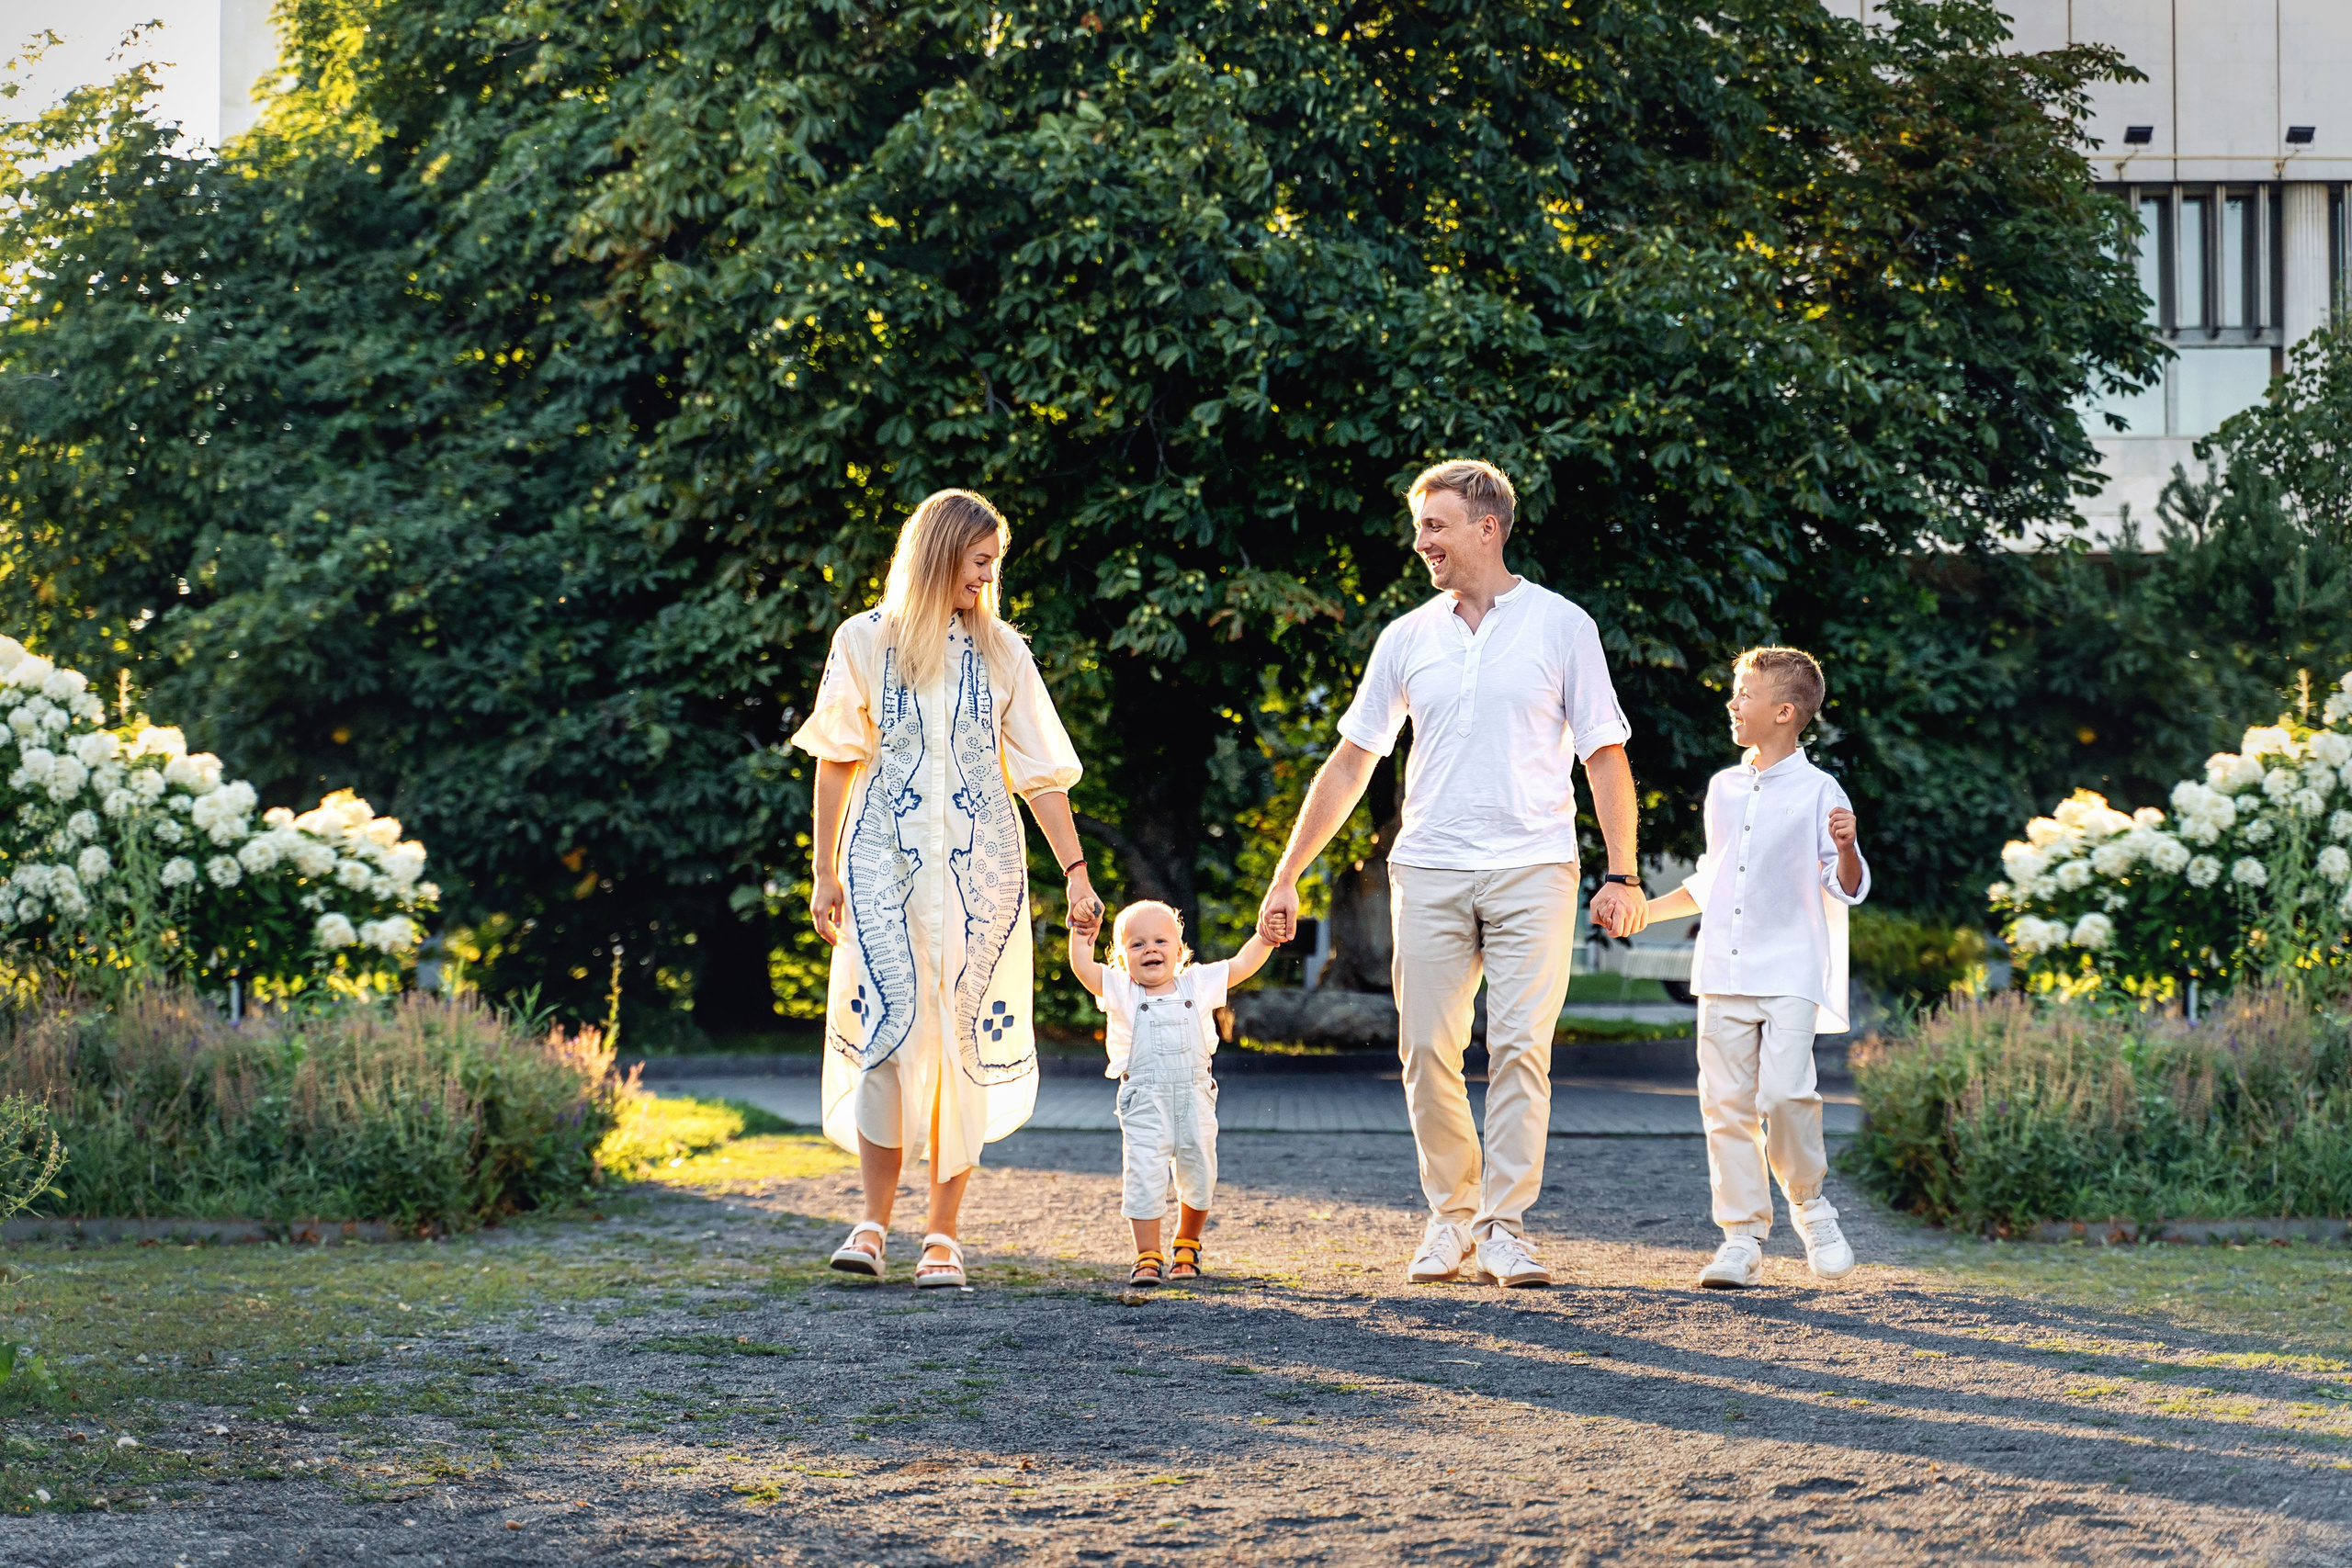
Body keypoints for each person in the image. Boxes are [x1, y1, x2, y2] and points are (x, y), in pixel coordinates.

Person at [1256, 458, 1646, 1289]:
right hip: (1429, 867)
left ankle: (1504, 1225)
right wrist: (1289, 872)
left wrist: (1624, 873)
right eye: (1419, 524)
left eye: (1434, 524)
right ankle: (1451, 1217)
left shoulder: (1562, 625)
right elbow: (1352, 759)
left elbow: (1604, 755)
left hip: (1534, 866)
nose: (1420, 539)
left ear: (1487, 528)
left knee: (1518, 1048)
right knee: (1426, 1047)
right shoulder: (1406, 636)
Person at [792, 489, 1103, 1289]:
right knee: (888, 1037)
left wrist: (1076, 872)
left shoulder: (1003, 653)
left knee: (960, 1045)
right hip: (878, 872)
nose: (989, 578)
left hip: (980, 882)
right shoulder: (862, 641)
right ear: (939, 553)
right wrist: (823, 870)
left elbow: (1041, 776)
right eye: (979, 561)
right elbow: (836, 756)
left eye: (993, 564)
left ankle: (942, 1235)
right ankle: (870, 1224)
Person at [1636, 647, 1868, 1288]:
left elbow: (1845, 885)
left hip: (1791, 969)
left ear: (1784, 711)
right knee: (1725, 1104)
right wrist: (1641, 913)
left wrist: (1847, 848)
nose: (1732, 702)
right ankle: (1740, 1239)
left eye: (1743, 693)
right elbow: (1712, 881)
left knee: (1785, 1093)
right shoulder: (1723, 789)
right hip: (1721, 971)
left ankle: (1812, 1206)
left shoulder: (1823, 790)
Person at [1068, 899, 1276, 1287]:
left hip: (1195, 1097)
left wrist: (1264, 937)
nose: (1150, 949)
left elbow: (1243, 965)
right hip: (1145, 1102)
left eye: (1161, 941)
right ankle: (1147, 1255)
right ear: (1119, 958)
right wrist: (1082, 935)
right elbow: (1083, 968)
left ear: (1179, 952)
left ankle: (1187, 1242)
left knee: (1200, 1172)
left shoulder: (1197, 983)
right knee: (1144, 1175)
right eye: (1137, 944)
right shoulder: (1120, 989)